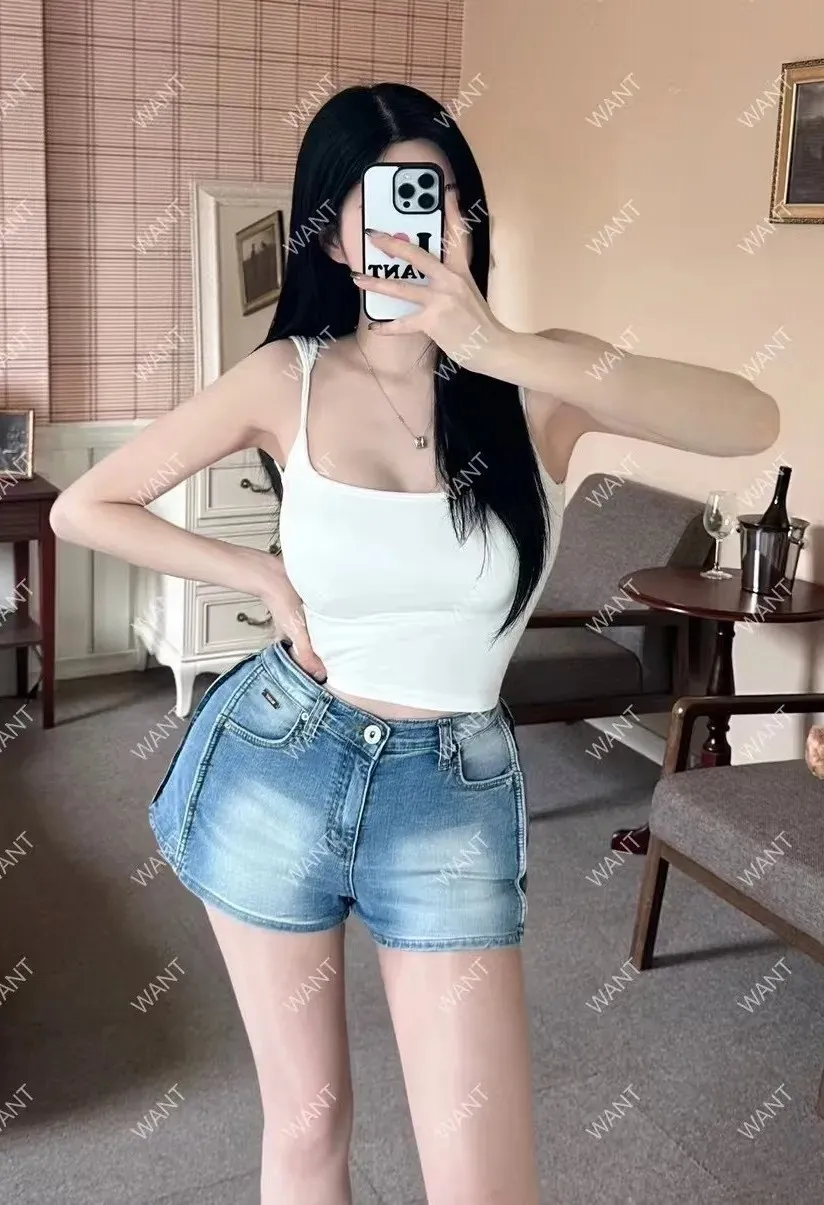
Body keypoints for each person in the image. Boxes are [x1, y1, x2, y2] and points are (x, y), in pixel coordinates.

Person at [50, 82, 780, 1205]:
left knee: (485, 1179)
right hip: (279, 762)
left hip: (450, 791)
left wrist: (494, 342)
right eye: (375, 199)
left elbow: (747, 419)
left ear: (466, 215)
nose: (408, 222)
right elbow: (84, 506)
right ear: (331, 235)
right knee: (309, 1129)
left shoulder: (535, 382)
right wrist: (260, 575)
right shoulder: (286, 376)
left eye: (429, 193)